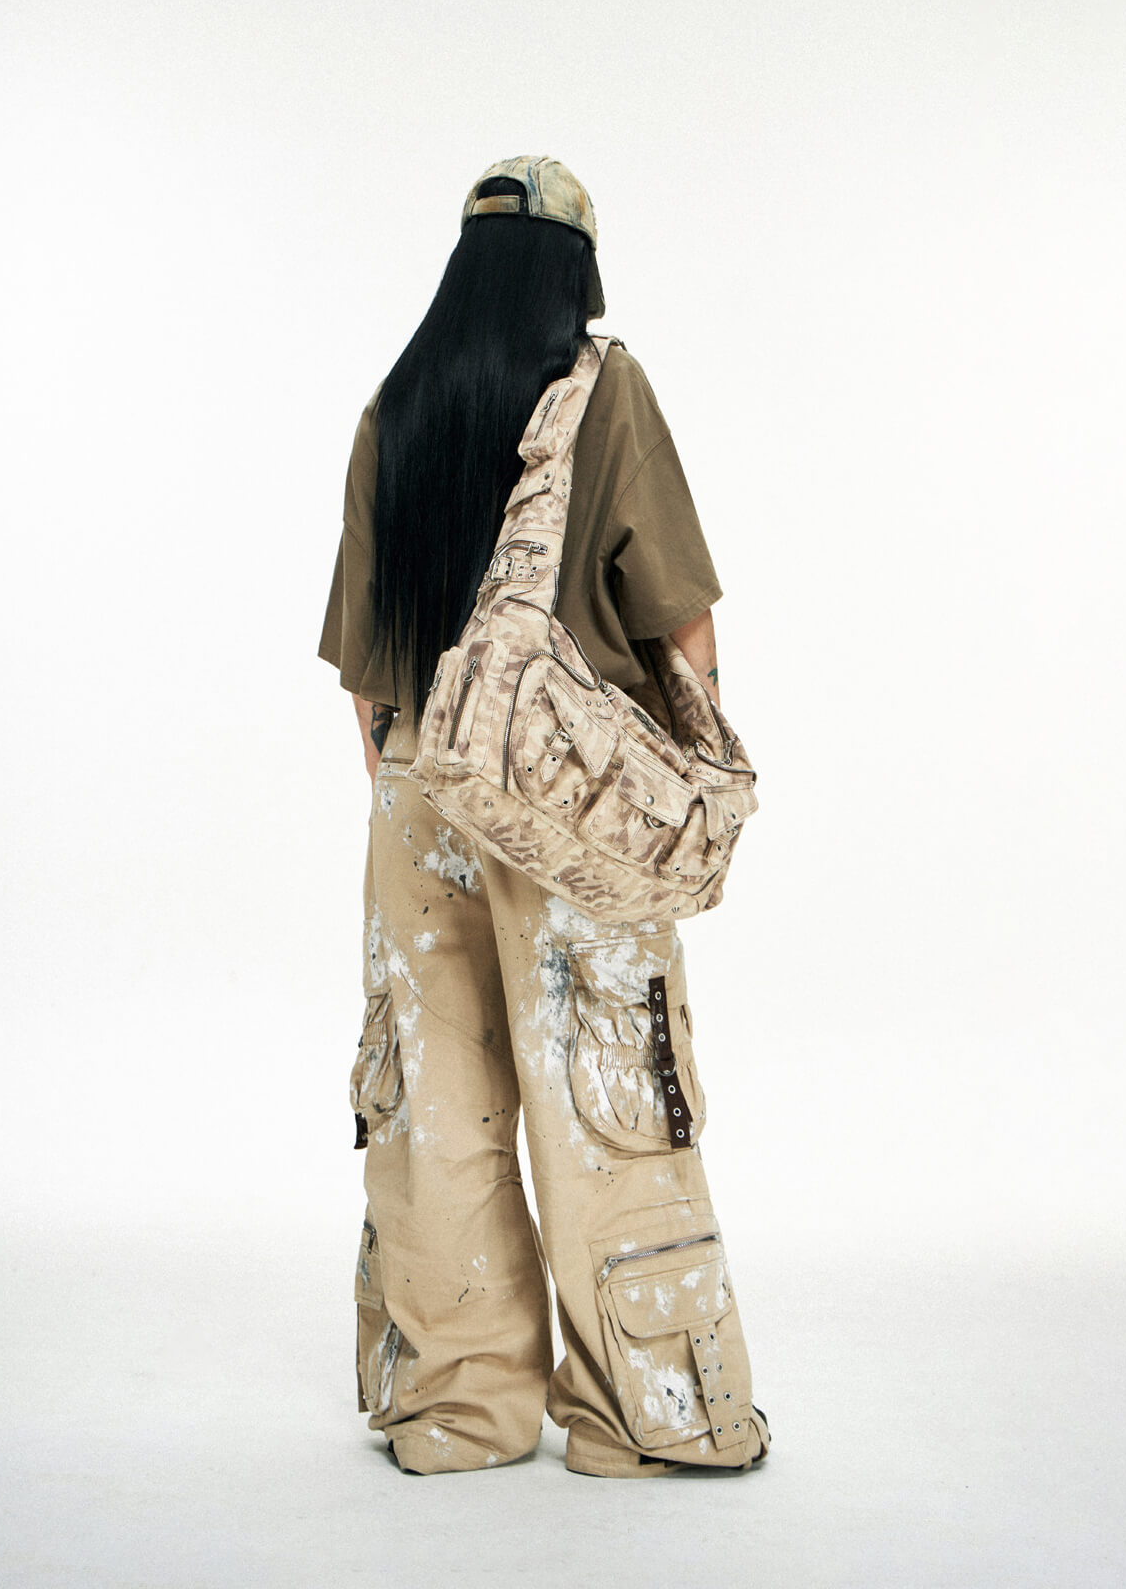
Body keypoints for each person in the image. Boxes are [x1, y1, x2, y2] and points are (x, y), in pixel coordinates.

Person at [317, 156, 770, 1479]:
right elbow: (681, 620)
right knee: (607, 1105)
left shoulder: (397, 406)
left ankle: (457, 1412)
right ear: (578, 268)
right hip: (571, 806)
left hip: (417, 797)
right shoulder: (601, 388)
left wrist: (420, 789)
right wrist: (688, 770)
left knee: (432, 1109)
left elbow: (365, 675)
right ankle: (647, 1419)